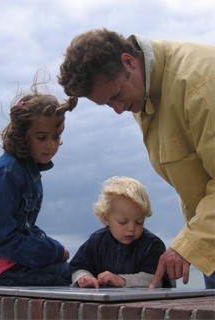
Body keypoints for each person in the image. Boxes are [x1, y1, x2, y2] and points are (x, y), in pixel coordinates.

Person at [58, 28, 215, 289]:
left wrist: (189, 244)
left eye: (117, 96)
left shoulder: (200, 85)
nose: (119, 110)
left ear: (129, 61)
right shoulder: (144, 94)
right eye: (108, 104)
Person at [0, 77, 78, 286]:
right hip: (2, 267)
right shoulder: (6, 174)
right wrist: (55, 251)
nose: (51, 145)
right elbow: (1, 240)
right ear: (23, 136)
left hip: (13, 263)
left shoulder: (27, 172)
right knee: (76, 275)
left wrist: (54, 249)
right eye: (42, 137)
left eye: (56, 137)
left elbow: (25, 229)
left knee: (82, 268)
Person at [70, 176, 172, 288]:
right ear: (106, 218)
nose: (131, 228)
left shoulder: (152, 245)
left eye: (139, 222)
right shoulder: (96, 241)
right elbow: (78, 266)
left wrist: (121, 280)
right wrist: (84, 278)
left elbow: (155, 279)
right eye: (123, 222)